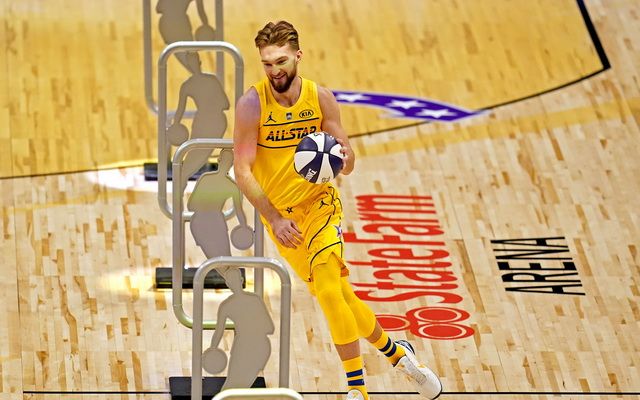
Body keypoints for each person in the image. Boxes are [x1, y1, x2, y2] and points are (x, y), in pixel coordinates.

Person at [233, 20, 442, 400]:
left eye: (281, 61)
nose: (274, 70)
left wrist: (344, 157)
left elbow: (349, 163)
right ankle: (398, 355)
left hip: (320, 205)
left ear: (298, 56)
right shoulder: (252, 104)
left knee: (330, 291)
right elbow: (242, 170)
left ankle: (357, 390)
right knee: (341, 294)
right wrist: (274, 218)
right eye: (267, 63)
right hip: (282, 218)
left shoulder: (321, 98)